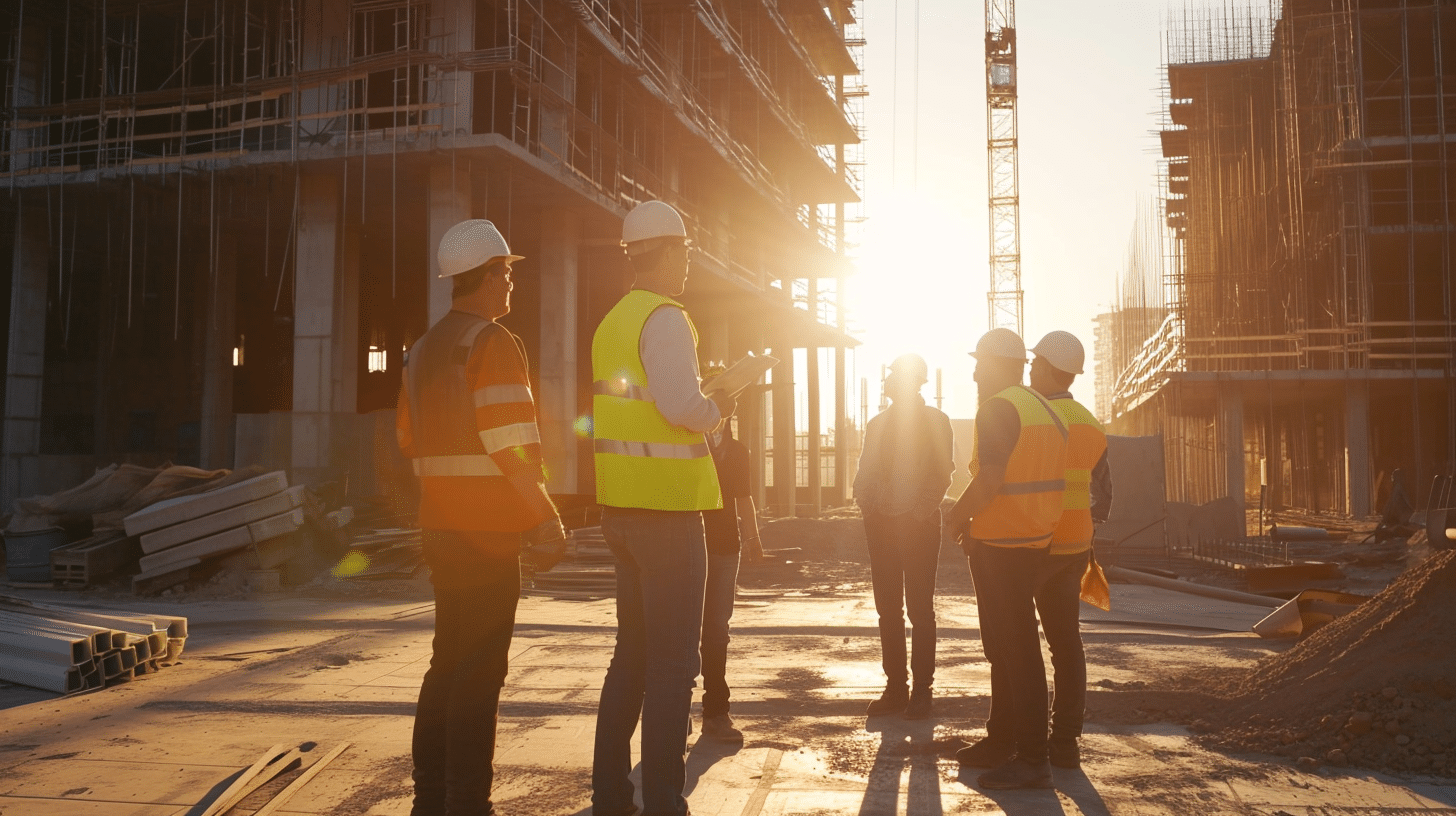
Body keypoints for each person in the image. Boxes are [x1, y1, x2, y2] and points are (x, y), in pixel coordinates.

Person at [397, 219, 564, 816]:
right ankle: (469, 802)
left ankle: (430, 797)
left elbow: (407, 439)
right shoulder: (491, 343)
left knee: (447, 660)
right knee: (482, 670)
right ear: (487, 278)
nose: (514, 283)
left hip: (439, 529)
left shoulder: (423, 350)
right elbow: (513, 443)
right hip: (489, 535)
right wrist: (545, 515)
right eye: (508, 272)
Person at [591, 200, 734, 816]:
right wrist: (720, 404)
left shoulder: (614, 321)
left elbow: (647, 403)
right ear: (667, 253)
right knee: (675, 661)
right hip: (668, 514)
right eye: (685, 252)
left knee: (634, 653)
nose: (688, 264)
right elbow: (681, 407)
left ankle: (610, 795)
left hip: (622, 509)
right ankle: (664, 803)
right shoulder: (668, 317)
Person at [945, 327, 1068, 790]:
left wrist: (955, 517)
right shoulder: (1042, 408)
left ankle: (1032, 757)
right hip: (1031, 542)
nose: (974, 372)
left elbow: (991, 479)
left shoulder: (999, 408)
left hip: (1002, 547)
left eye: (980, 363)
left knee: (1017, 652)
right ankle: (1002, 740)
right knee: (1006, 651)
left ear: (998, 365)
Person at [852, 353, 955, 719]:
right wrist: (868, 505)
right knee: (888, 610)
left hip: (920, 527)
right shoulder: (877, 423)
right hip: (882, 526)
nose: (887, 380)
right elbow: (864, 471)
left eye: (894, 375)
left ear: (912, 382)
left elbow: (944, 472)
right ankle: (896, 688)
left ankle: (922, 693)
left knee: (920, 611)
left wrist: (918, 512)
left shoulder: (936, 421)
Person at [1028, 330, 1112, 770]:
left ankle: (1026, 738)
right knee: (1066, 644)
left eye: (1033, 363)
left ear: (1044, 367)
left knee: (1020, 647)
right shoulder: (1090, 422)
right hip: (1076, 546)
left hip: (1032, 544)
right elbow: (1105, 497)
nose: (1028, 370)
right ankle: (1065, 742)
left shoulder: (1035, 418)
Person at [699, 398, 763, 741]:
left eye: (725, 411)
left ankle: (716, 713)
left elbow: (744, 497)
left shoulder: (738, 451)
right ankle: (675, 713)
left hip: (725, 547)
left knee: (717, 630)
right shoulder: (687, 442)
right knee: (682, 631)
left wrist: (753, 538)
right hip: (689, 546)